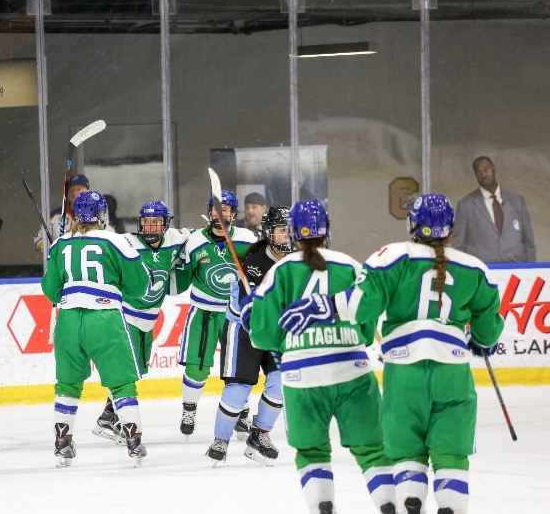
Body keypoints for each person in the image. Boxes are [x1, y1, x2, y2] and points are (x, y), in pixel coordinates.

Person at [279, 194, 504, 514]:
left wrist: (325, 305)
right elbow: (488, 327)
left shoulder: (392, 256)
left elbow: (361, 306)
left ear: (413, 225)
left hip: (405, 370)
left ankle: (411, 501)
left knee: (407, 451)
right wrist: (483, 339)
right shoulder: (474, 267)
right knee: (451, 454)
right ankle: (451, 506)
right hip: (454, 373)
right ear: (450, 227)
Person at [241, 200, 395, 514]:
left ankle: (324, 507)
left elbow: (262, 335)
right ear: (327, 231)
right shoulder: (351, 265)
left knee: (312, 452)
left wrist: (256, 319)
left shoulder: (281, 270)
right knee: (373, 451)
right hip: (352, 370)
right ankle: (390, 506)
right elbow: (366, 328)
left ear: (294, 233)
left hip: (302, 375)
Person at [41, 190, 152, 467]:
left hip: (67, 321)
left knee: (68, 384)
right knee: (121, 382)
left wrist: (59, 258)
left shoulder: (61, 245)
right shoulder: (117, 241)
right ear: (102, 215)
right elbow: (140, 287)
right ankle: (133, 441)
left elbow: (51, 291)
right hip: (104, 319)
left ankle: (62, 443)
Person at [92, 200, 191, 444]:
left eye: (156, 221)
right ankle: (107, 417)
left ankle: (109, 415)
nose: (150, 227)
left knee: (137, 370)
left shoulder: (175, 240)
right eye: (146, 222)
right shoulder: (127, 243)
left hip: (149, 320)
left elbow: (197, 236)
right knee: (127, 370)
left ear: (165, 224)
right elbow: (99, 243)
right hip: (126, 317)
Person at [204, 207, 289, 467]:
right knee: (239, 389)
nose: (286, 236)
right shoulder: (252, 264)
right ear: (268, 233)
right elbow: (245, 306)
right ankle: (221, 440)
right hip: (243, 330)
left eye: (290, 231)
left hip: (276, 332)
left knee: (280, 384)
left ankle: (259, 435)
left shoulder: (299, 261)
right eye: (281, 231)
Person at [173, 190, 256, 437]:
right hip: (204, 312)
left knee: (240, 369)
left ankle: (241, 412)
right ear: (209, 212)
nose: (220, 213)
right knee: (196, 368)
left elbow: (257, 272)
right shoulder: (195, 241)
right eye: (216, 209)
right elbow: (182, 278)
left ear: (233, 213)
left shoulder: (247, 239)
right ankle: (189, 409)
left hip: (236, 315)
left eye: (226, 209)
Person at [453, 156, 535, 263]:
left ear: (494, 169)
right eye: (479, 172)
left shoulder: (517, 200)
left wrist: (531, 269)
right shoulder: (465, 205)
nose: (483, 174)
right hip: (482, 272)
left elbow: (528, 242)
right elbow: (457, 245)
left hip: (516, 270)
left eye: (486, 170)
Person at [33, 174, 114, 253]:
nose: (75, 192)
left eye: (79, 189)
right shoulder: (55, 215)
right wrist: (53, 249)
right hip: (62, 265)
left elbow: (112, 241)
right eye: (72, 190)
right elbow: (38, 240)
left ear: (88, 192)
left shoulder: (99, 216)